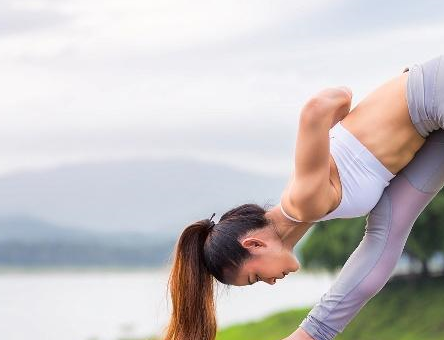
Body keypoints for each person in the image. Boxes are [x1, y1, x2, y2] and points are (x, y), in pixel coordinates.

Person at [162, 55, 444, 340]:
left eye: (256, 277)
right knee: (386, 233)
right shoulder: (311, 207)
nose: (270, 282)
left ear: (254, 244)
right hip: (431, 122)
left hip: (431, 95)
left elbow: (318, 106)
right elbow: (380, 249)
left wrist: (350, 110)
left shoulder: (303, 200)